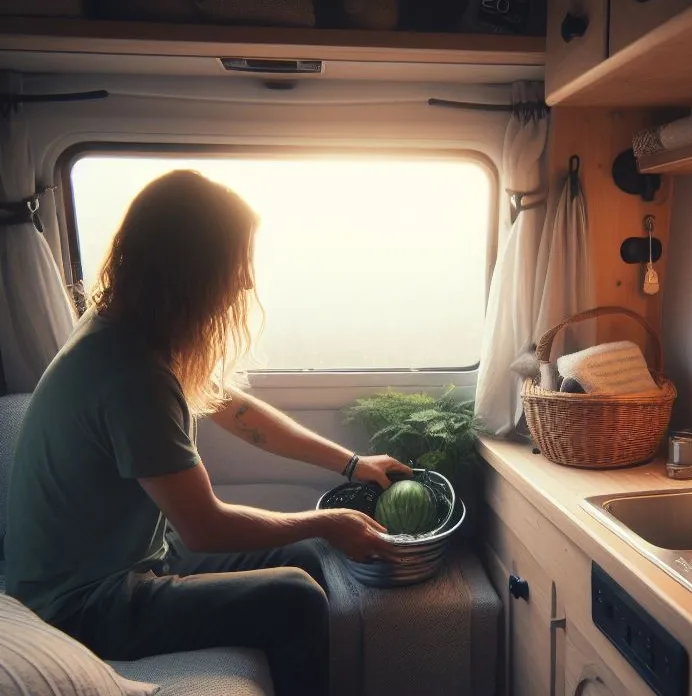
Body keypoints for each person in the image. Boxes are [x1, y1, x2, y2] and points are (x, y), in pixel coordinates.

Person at [4, 169, 411, 696]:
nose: (244, 282)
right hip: (81, 606)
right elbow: (207, 529)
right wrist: (326, 521)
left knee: (305, 556)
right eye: (235, 264)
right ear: (190, 269)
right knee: (297, 596)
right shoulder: (131, 375)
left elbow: (239, 414)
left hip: (128, 562)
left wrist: (352, 465)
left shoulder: (132, 333)